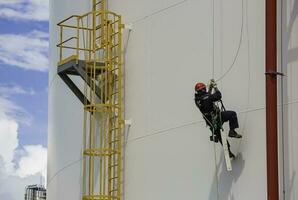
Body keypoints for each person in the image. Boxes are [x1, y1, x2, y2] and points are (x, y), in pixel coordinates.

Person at [194, 79, 242, 158]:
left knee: (220, 136)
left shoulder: (197, 99)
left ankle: (228, 151)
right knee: (232, 114)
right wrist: (215, 88)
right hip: (216, 118)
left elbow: (208, 98)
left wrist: (210, 87)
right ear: (203, 89)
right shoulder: (206, 97)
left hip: (210, 122)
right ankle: (232, 131)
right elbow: (218, 96)